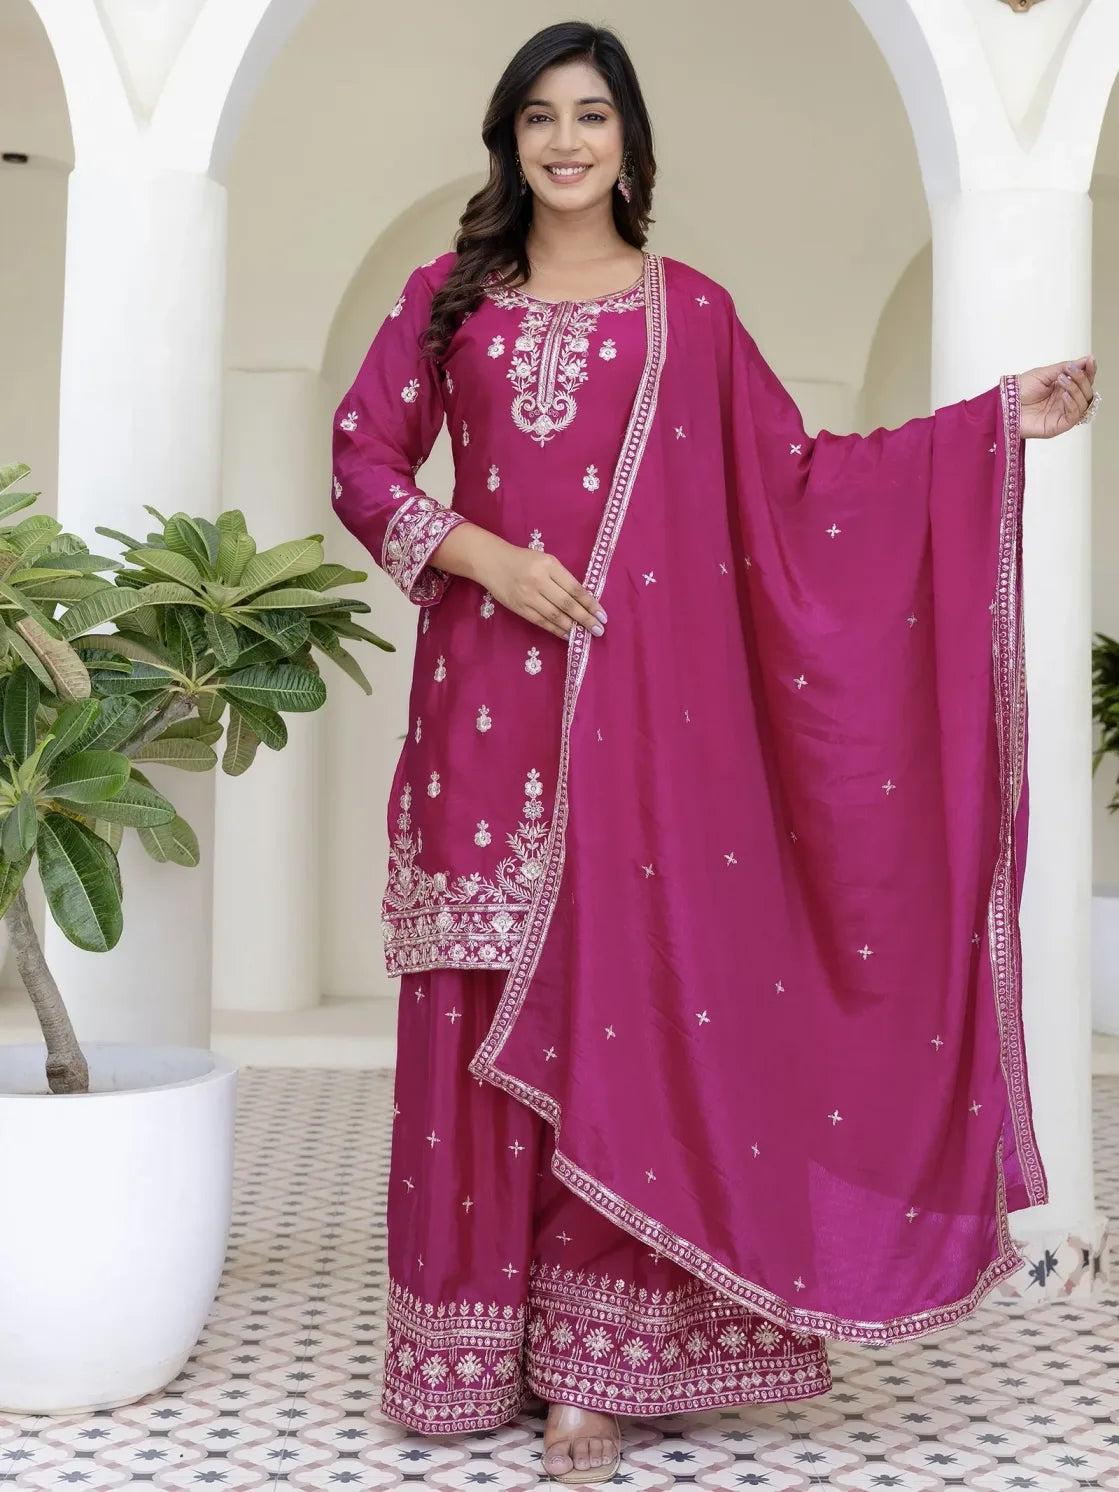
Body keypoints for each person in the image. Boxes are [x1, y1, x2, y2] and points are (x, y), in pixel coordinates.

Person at [330, 20, 1099, 1484]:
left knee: (620, 1019)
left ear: (630, 142)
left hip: (638, 735)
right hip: (482, 712)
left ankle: (594, 1374)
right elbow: (362, 456)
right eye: (540, 117)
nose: (566, 141)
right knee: (474, 1018)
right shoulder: (451, 300)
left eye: (593, 116)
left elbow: (802, 482)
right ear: (509, 140)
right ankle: (465, 1349)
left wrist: (990, 425)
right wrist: (481, 552)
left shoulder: (691, 313)